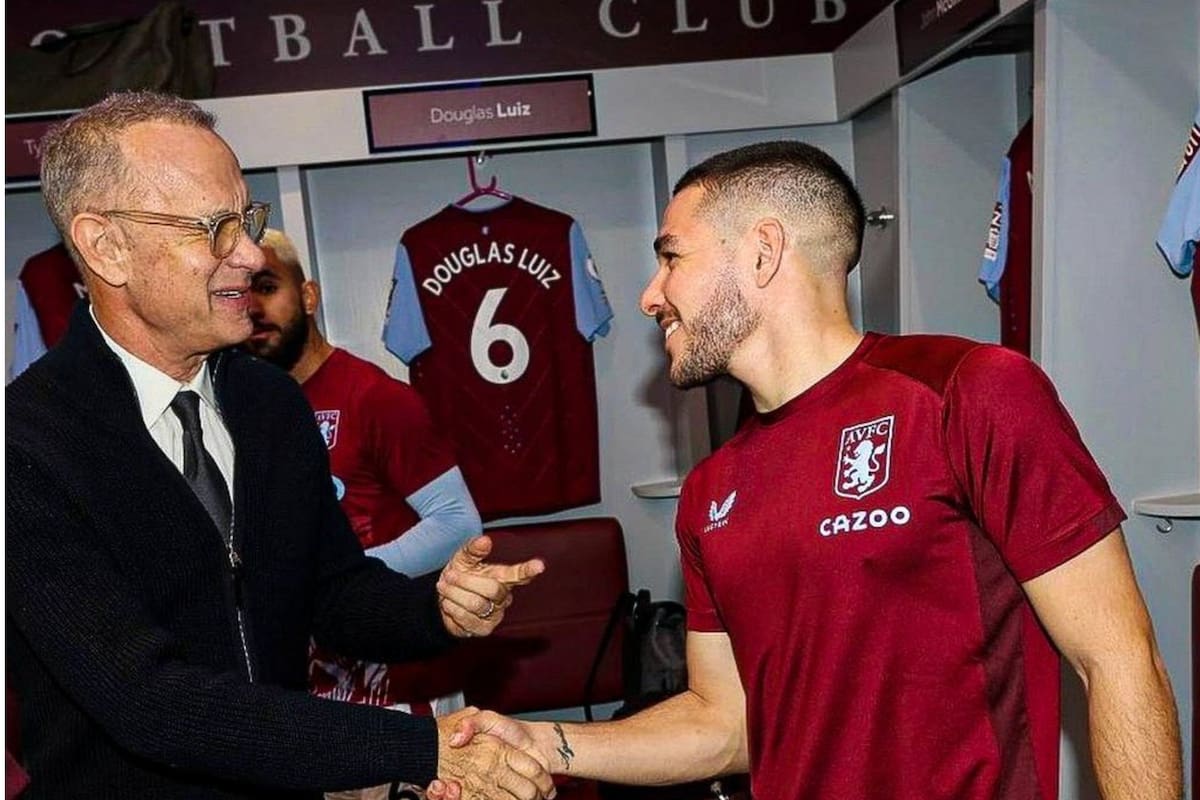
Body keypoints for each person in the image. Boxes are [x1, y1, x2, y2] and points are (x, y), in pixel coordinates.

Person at [438, 141, 1184, 800]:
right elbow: (725, 726)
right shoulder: (710, 491)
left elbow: (1116, 658)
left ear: (763, 251)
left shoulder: (968, 390)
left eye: (671, 258)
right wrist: (549, 744)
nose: (648, 295)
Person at [6, 91, 554, 800]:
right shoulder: (25, 447)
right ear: (105, 246)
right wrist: (420, 749)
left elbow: (329, 589)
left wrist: (433, 610)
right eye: (214, 229)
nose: (250, 254)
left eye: (247, 220)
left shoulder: (267, 401)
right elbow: (148, 700)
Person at [243, 230, 483, 795]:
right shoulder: (247, 407)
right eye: (240, 292)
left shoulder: (375, 397)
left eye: (268, 287)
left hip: (396, 685)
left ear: (308, 295)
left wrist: (335, 584)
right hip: (305, 690)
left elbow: (458, 525)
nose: (253, 309)